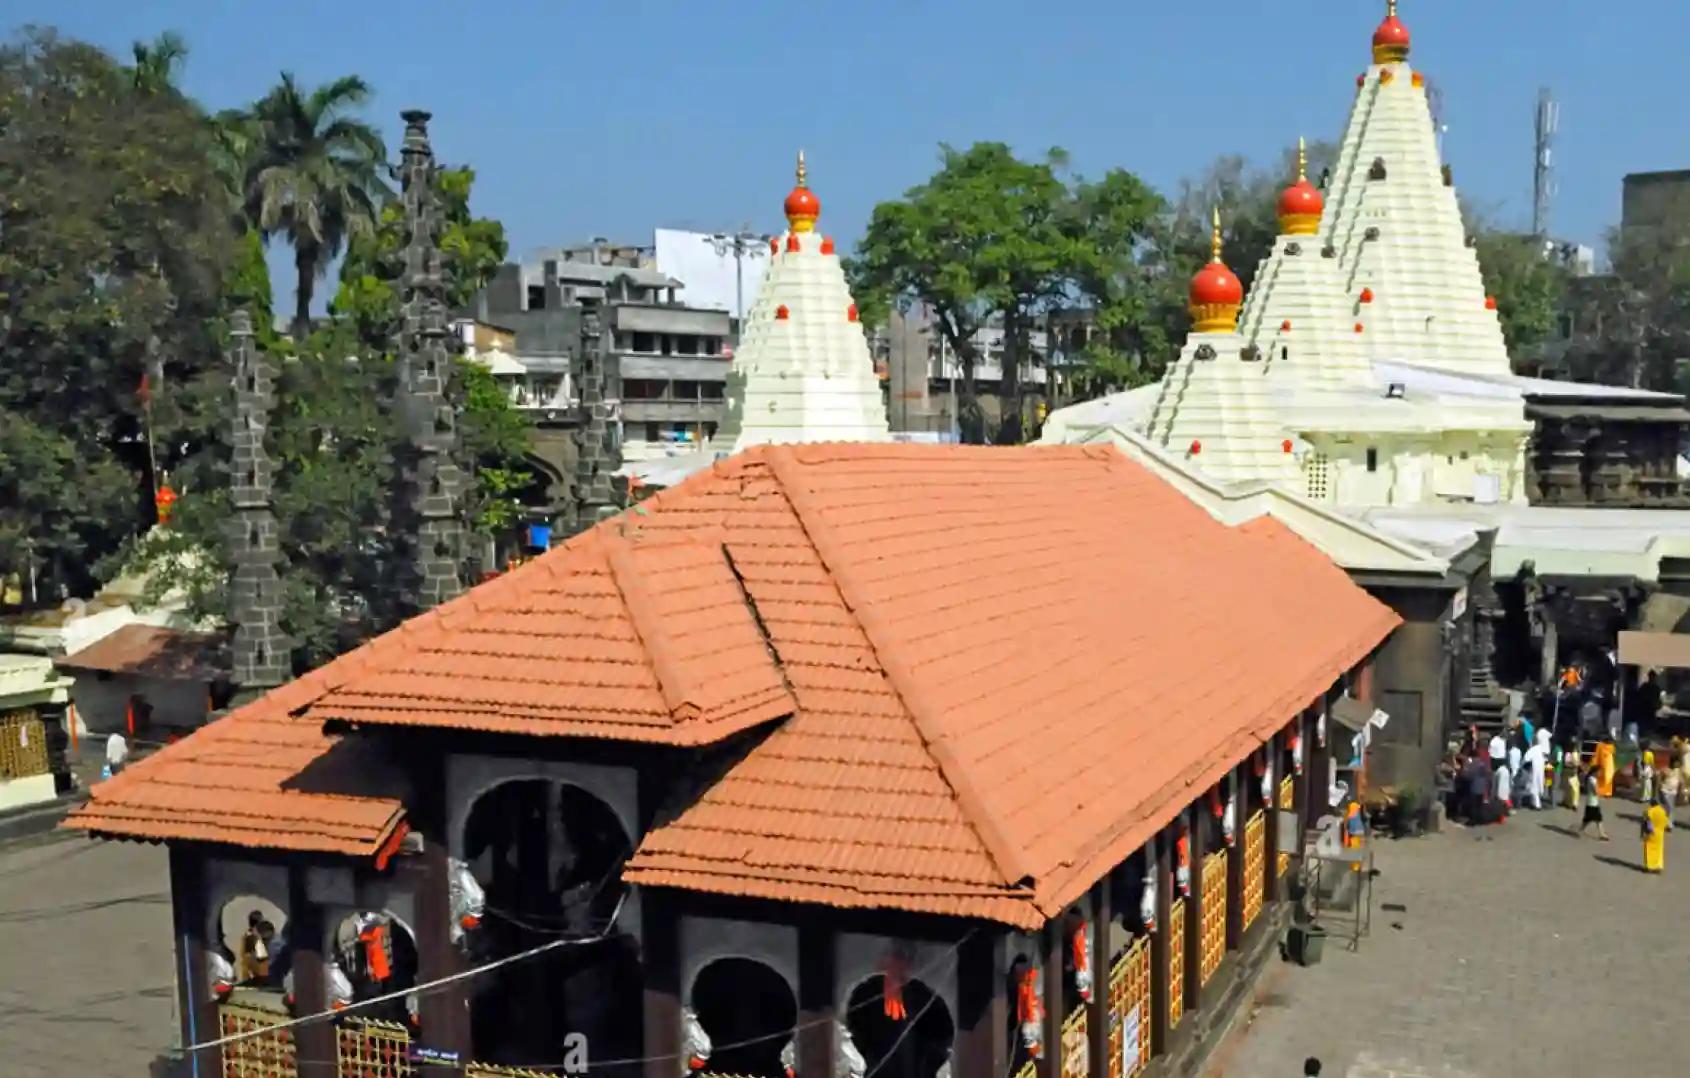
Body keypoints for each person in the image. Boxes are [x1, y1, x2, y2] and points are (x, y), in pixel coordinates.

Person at [1579, 768, 1609, 841]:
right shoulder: (1592, 780)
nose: (1600, 774)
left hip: (1591, 802)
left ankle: (1581, 829)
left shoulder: (1591, 779)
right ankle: (1602, 834)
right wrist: (1601, 792)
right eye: (1599, 772)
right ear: (1595, 772)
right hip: (1593, 803)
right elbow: (1595, 791)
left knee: (1588, 818)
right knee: (1598, 819)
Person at [1644, 793, 1669, 874]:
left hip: (1651, 833)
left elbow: (1647, 823)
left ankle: (1650, 866)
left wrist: (1644, 833)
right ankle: (1658, 865)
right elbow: (1666, 822)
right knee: (1659, 850)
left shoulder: (1649, 811)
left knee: (1650, 849)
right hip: (1660, 833)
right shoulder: (1662, 811)